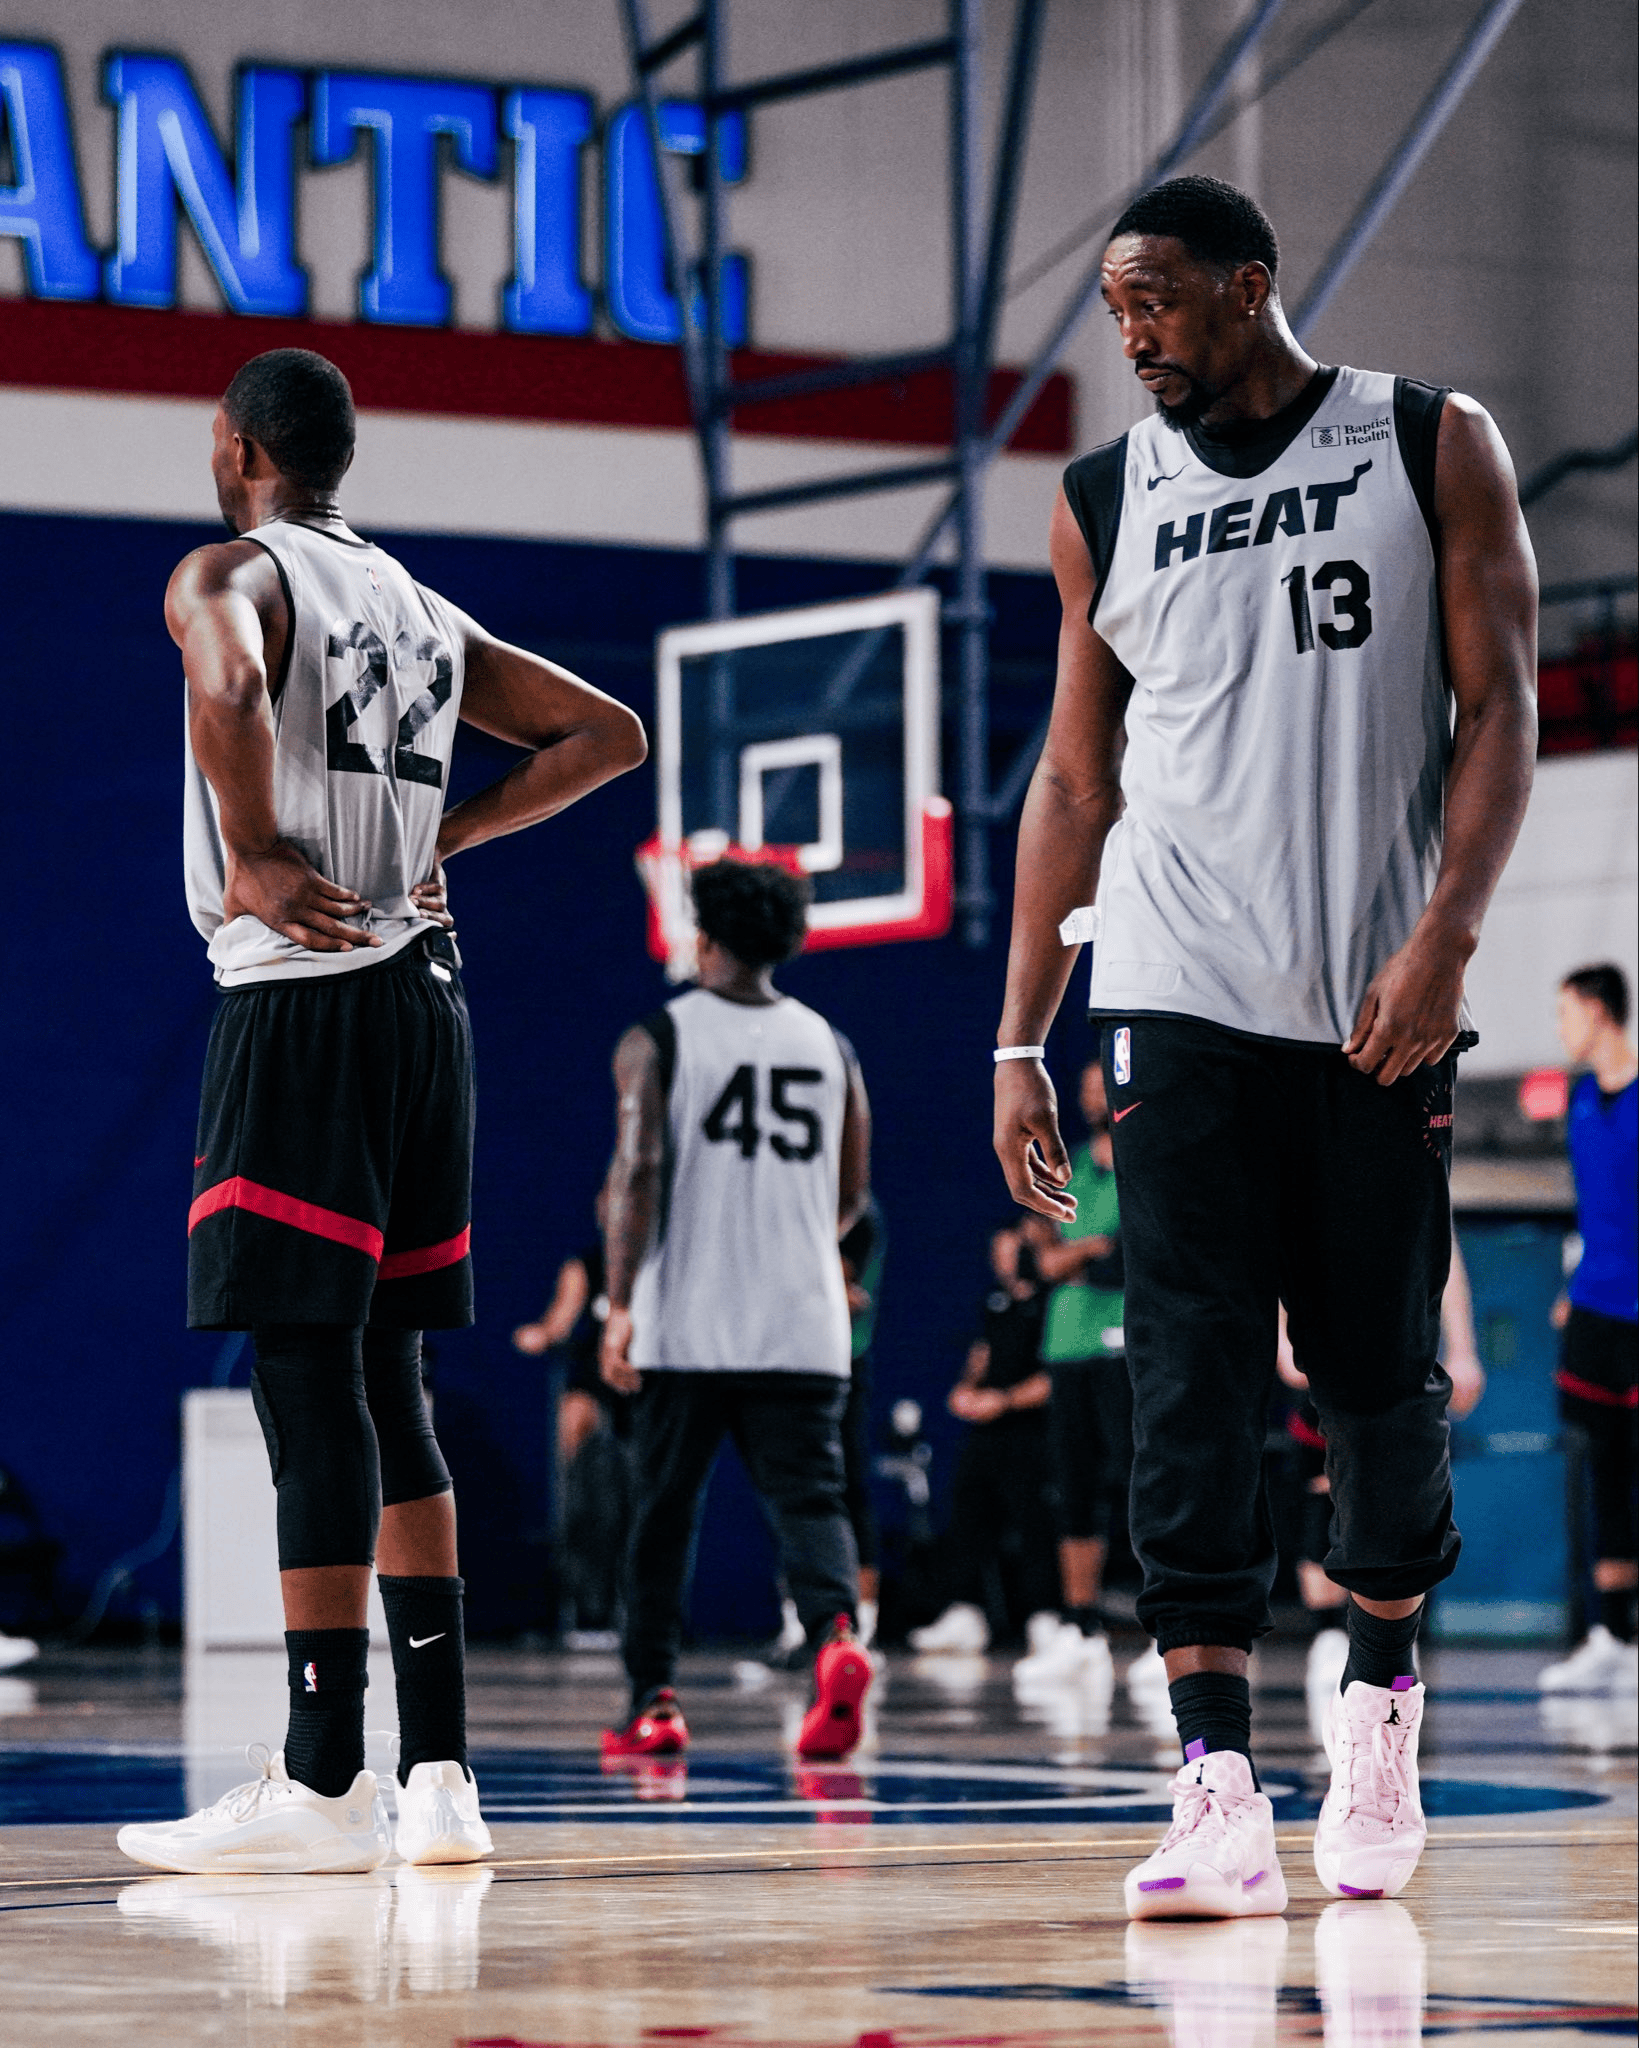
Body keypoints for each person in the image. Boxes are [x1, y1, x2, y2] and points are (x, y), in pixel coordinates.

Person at [993, 176, 1536, 1918]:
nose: (1130, 332)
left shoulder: (1425, 442)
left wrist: (1444, 938)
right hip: (1171, 986)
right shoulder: (1100, 498)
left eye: (1153, 296)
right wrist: (1016, 1034)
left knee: (1375, 1382)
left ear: (1246, 286)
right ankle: (1212, 1776)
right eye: (1110, 306)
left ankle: (1374, 1713)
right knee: (1187, 1378)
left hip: (1374, 1000)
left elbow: (1500, 706)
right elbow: (1071, 778)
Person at [116, 349, 646, 1877]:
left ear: (240, 447)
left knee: (305, 1379)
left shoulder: (228, 573)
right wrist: (453, 834)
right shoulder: (420, 610)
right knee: (390, 1381)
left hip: (301, 1002)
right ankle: (442, 1778)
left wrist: (256, 847)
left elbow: (224, 679)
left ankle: (324, 1776)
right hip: (430, 1007)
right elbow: (609, 734)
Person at [598, 859, 875, 1761]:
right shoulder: (830, 1044)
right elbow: (850, 1195)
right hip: (802, 1318)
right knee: (811, 1501)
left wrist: (619, 1302)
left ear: (704, 935)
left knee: (661, 1515)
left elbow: (638, 1171)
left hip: (690, 1316)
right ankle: (836, 1636)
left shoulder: (659, 1036)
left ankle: (654, 1700)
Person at [1279, 1249, 1485, 1720]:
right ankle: (1329, 1634)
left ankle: (1388, 1646)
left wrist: (1463, 1350)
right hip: (1321, 1344)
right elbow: (1277, 1248)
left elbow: (1446, 1257)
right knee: (1322, 1488)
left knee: (1398, 1494)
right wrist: (1281, 1337)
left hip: (1395, 1349)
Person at [1012, 1060, 1131, 1703]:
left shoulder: (1143, 1162)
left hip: (1126, 1343)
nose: (1091, 1097)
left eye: (1100, 1085)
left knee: (1136, 1481)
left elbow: (1126, 1257)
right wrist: (1085, 1252)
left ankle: (1163, 1626)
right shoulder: (1066, 1168)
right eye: (1083, 1089)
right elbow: (1038, 1260)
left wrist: (1074, 1252)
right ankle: (1081, 1627)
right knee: (1073, 1485)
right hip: (1066, 1344)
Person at [1539, 963, 1638, 1694]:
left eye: (1566, 1012)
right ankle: (1613, 1636)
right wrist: (1573, 1285)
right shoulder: (1579, 1100)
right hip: (1593, 1309)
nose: (1561, 1028)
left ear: (1599, 1010)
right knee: (1601, 1467)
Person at [909, 1219, 1058, 1653]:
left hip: (1035, 1431)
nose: (1004, 1263)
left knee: (1036, 1522)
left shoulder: (1055, 1302)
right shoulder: (995, 1303)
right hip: (987, 1433)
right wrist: (966, 1390)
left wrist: (1005, 1400)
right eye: (998, 1255)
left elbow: (1056, 1378)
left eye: (1012, 1253)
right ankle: (964, 1613)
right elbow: (982, 1354)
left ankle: (1047, 1617)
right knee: (967, 1514)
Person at [514, 1205, 632, 1645]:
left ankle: (639, 1609)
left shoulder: (657, 1267)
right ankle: (582, 1607)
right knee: (579, 1481)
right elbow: (559, 1322)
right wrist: (543, 1335)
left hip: (641, 1385)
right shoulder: (583, 1266)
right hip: (592, 1384)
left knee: (643, 1495)